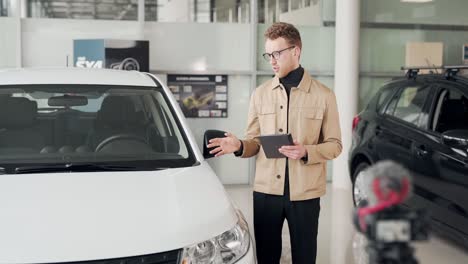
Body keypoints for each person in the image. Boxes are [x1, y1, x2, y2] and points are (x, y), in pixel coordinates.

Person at [207, 22, 342, 264]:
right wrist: (239, 146)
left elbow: (335, 145)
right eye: (268, 54)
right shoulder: (260, 94)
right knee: (267, 256)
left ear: (296, 51)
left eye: (277, 53)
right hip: (266, 192)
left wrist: (306, 151)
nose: (272, 60)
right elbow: (254, 141)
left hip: (306, 194)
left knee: (305, 256)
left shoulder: (324, 95)